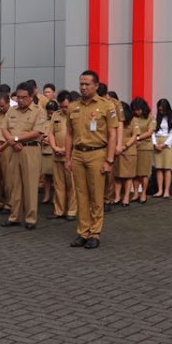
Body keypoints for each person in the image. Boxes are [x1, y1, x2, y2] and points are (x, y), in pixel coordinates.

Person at [65, 70, 119, 249]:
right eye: (81, 84)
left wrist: (109, 160)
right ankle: (83, 232)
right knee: (81, 196)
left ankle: (95, 233)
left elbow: (112, 134)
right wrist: (68, 158)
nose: (83, 87)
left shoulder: (106, 106)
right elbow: (69, 134)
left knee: (96, 196)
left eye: (87, 84)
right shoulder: (73, 106)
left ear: (96, 85)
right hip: (78, 154)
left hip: (97, 154)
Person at [2, 82, 49, 230]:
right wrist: (12, 142)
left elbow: (37, 132)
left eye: (24, 97)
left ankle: (31, 218)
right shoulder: (12, 110)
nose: (20, 100)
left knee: (30, 185)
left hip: (30, 149)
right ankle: (14, 216)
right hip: (14, 150)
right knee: (15, 184)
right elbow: (4, 128)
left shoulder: (38, 111)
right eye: (18, 97)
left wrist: (16, 139)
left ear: (31, 97)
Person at [46, 92, 74, 220]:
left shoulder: (75, 115)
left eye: (66, 106)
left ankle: (72, 211)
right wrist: (54, 147)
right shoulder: (56, 115)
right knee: (58, 184)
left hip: (71, 156)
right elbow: (51, 133)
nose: (64, 109)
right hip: (57, 155)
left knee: (72, 184)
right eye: (61, 106)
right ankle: (59, 210)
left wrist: (66, 149)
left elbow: (77, 136)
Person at [130, 98, 155, 203]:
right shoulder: (132, 118)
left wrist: (138, 138)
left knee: (144, 172)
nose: (137, 112)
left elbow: (150, 132)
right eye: (135, 110)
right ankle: (136, 193)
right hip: (134, 147)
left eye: (139, 109)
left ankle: (143, 193)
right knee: (135, 172)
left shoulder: (150, 118)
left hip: (145, 148)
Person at [153, 99, 172, 198]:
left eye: (163, 110)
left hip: (168, 143)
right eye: (160, 110)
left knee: (167, 168)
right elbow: (152, 132)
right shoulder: (156, 117)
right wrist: (155, 144)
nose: (161, 112)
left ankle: (166, 191)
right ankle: (159, 190)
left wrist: (164, 144)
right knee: (159, 168)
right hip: (158, 141)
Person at [114, 102, 138, 206]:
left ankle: (126, 197)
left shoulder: (133, 120)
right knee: (117, 175)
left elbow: (135, 136)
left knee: (128, 175)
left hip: (129, 151)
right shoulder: (115, 120)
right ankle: (117, 197)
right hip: (116, 150)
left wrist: (125, 146)